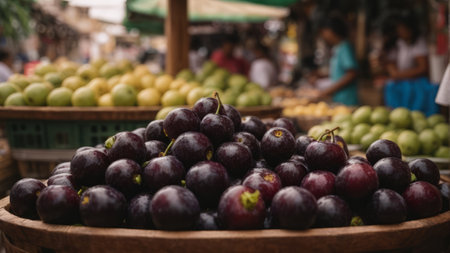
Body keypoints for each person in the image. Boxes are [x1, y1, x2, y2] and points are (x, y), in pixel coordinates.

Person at [383, 12, 439, 116]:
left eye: (403, 28)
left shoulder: (418, 42)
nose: (400, 31)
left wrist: (399, 75)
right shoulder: (398, 43)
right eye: (399, 29)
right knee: (390, 86)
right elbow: (391, 65)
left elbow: (422, 68)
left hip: (416, 81)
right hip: (401, 80)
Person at [309, 15, 358, 106]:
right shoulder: (337, 48)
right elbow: (339, 72)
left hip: (347, 100)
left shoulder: (345, 47)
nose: (323, 35)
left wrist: (327, 91)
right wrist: (321, 75)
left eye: (323, 32)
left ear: (330, 31)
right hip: (338, 98)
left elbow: (351, 73)